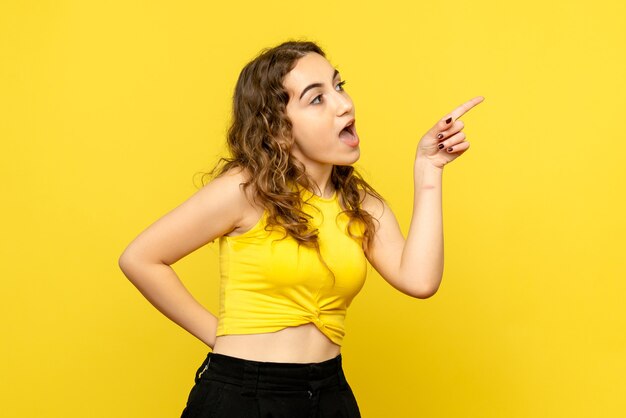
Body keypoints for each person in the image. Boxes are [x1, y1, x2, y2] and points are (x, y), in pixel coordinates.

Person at [118, 40, 484, 418]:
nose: (344, 104)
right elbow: (141, 258)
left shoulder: (361, 204)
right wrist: (219, 337)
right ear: (278, 127)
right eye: (316, 98)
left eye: (339, 86)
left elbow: (420, 281)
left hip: (328, 394)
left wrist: (429, 170)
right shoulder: (245, 190)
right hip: (243, 396)